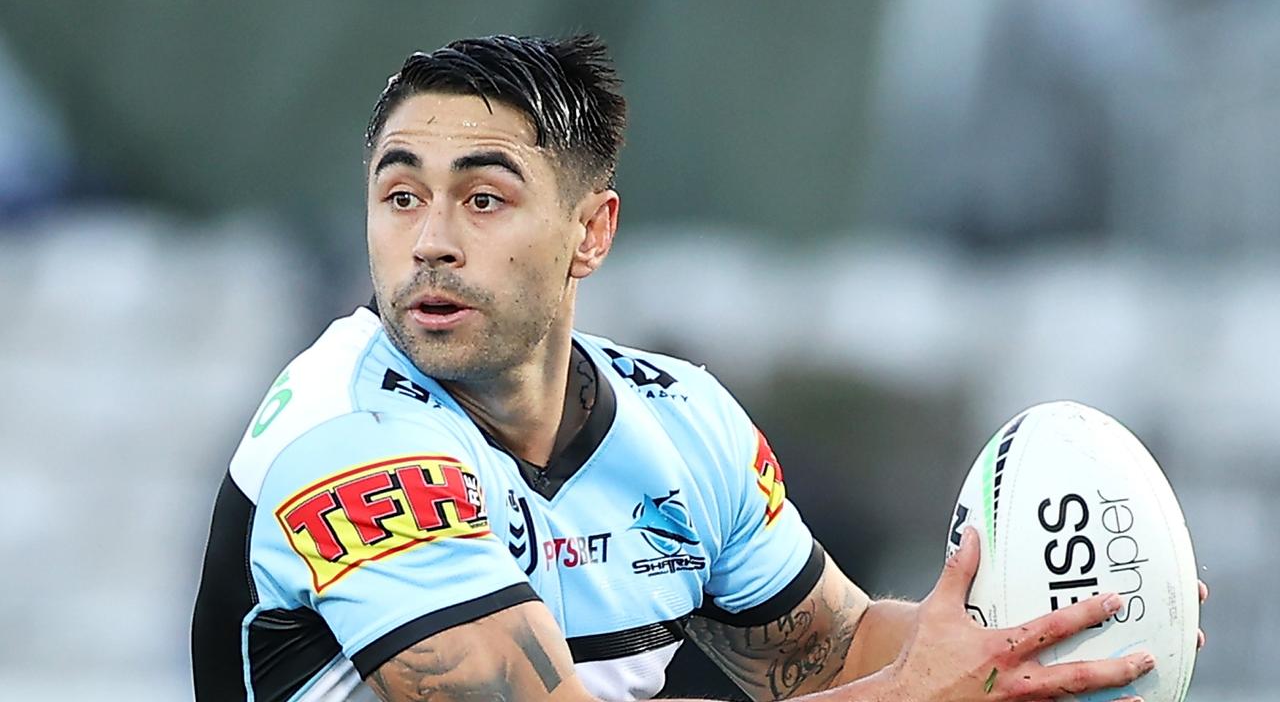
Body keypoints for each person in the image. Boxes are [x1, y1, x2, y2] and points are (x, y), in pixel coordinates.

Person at [191, 34, 1202, 702]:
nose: (430, 243)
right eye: (400, 197)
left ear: (591, 231)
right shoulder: (348, 442)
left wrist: (1042, 635)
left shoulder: (682, 423)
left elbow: (825, 650)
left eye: (484, 200)